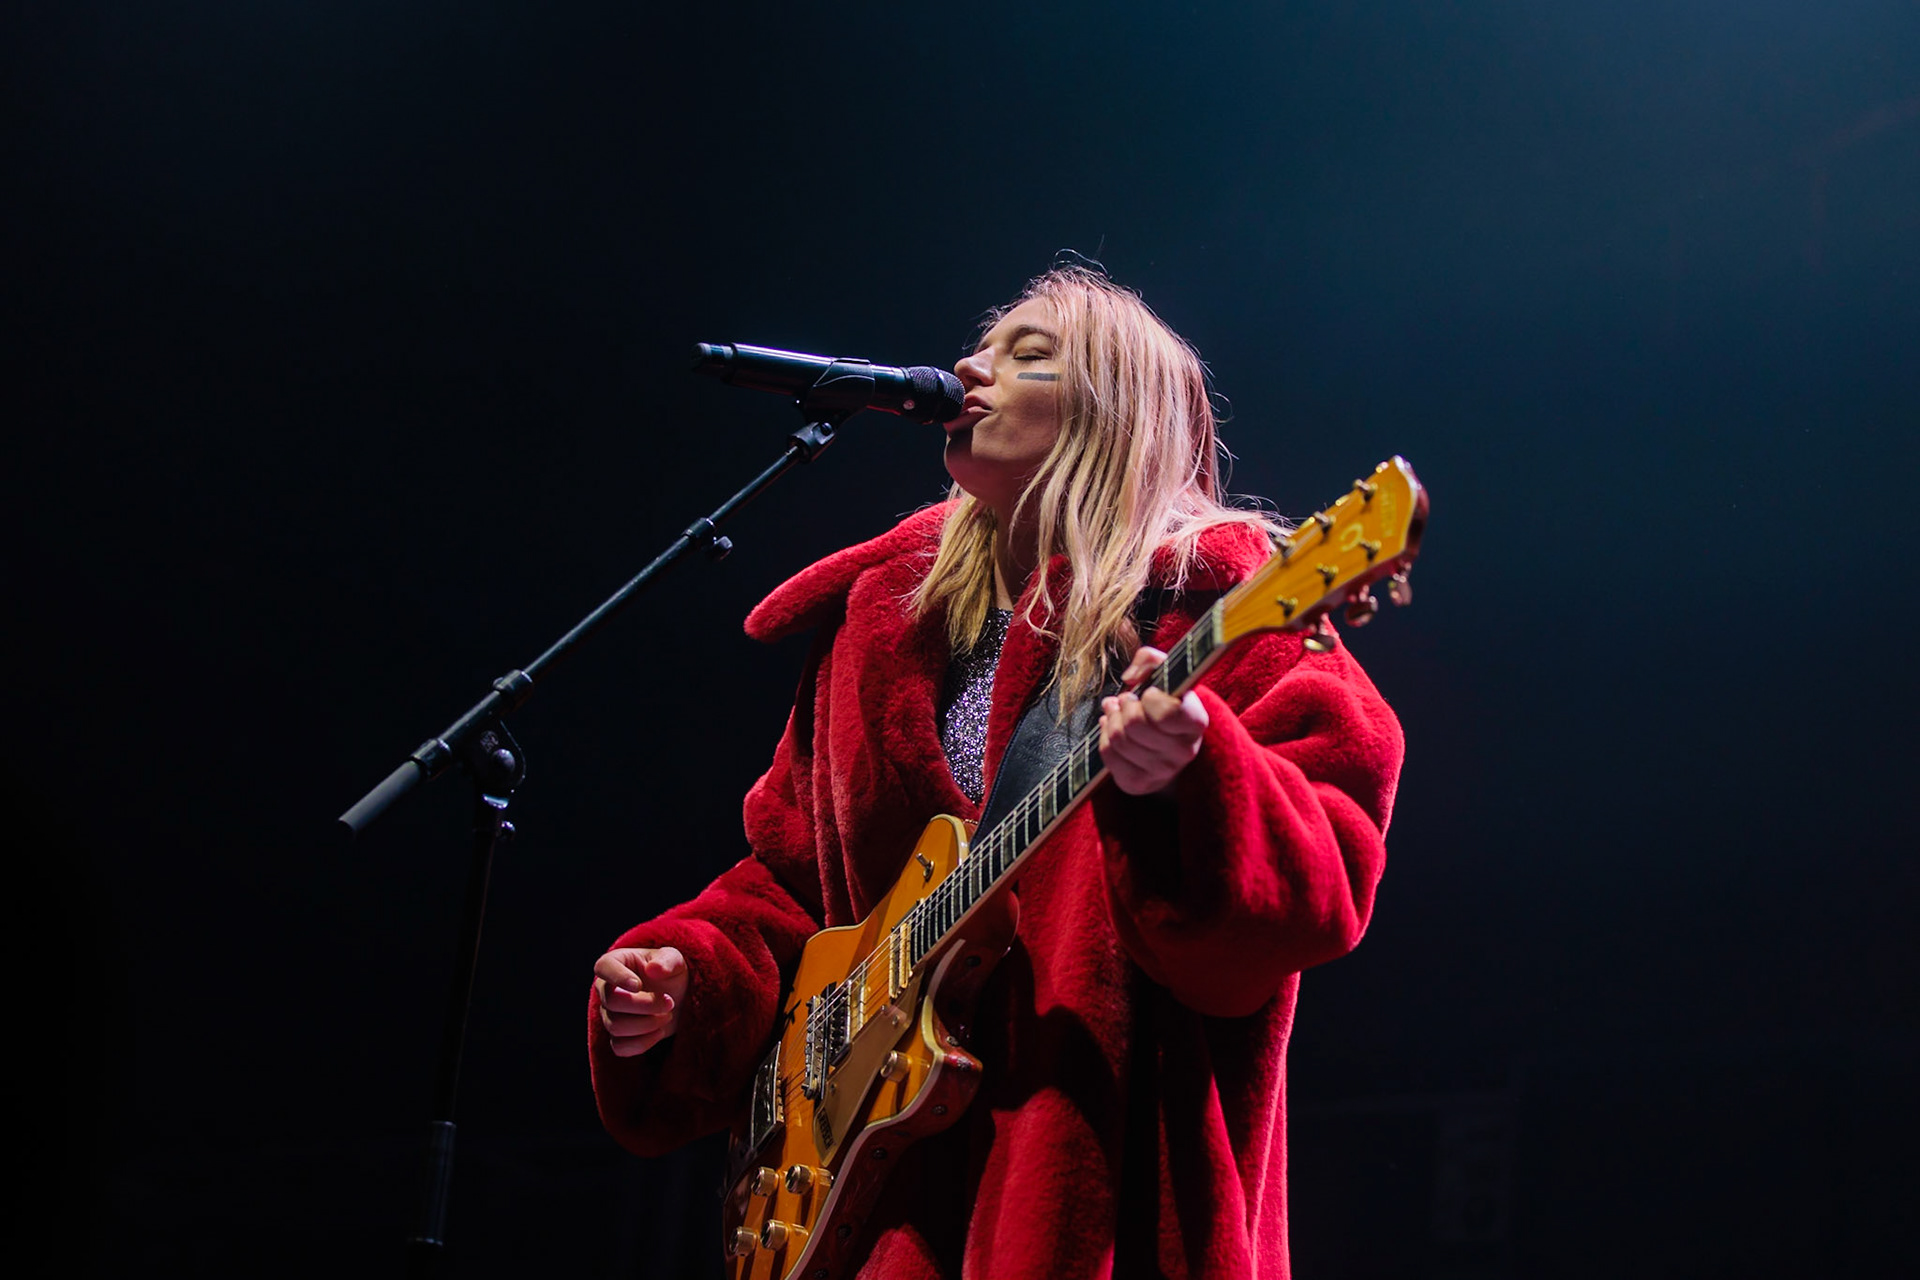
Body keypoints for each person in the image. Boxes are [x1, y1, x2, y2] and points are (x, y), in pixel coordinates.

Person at [588, 265, 1404, 1279]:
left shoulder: (1219, 609)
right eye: (984, 346)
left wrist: (1195, 778)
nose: (971, 366)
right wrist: (691, 974)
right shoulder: (878, 631)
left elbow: (1323, 881)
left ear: (1116, 412)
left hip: (1091, 1176)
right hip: (880, 1207)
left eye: (1029, 355)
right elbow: (786, 882)